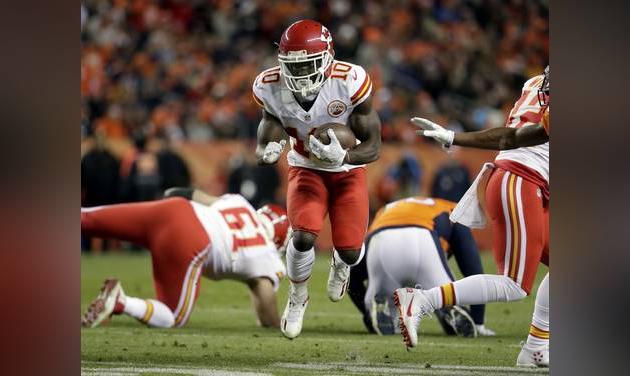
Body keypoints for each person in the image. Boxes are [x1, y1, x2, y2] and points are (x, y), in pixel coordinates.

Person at [395, 66, 550, 367]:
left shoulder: (534, 83)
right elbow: (515, 136)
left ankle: (535, 347)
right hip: (521, 179)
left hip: (522, 179)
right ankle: (422, 301)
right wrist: (455, 137)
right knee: (513, 285)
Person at [252, 19, 382, 339]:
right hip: (305, 168)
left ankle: (341, 263)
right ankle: (298, 296)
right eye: (291, 67)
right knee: (303, 236)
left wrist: (346, 157)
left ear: (327, 57)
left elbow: (374, 146)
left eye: (307, 65)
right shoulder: (269, 85)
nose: (298, 75)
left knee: (351, 250)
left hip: (347, 173)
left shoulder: (349, 81)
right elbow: (269, 120)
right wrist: (264, 145)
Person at [80, 188, 290, 329]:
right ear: (280, 241)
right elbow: (266, 308)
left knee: (88, 219)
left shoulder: (240, 202)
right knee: (174, 317)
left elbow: (192, 194)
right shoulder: (269, 256)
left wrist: (175, 192)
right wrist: (275, 323)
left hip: (174, 208)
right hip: (191, 238)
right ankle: (121, 302)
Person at [347, 196, 494, 338]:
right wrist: (478, 320)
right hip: (423, 240)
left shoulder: (386, 210)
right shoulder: (454, 211)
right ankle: (450, 309)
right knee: (445, 296)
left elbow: (352, 276)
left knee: (387, 308)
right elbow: (473, 270)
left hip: (380, 241)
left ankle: (376, 302)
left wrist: (364, 309)